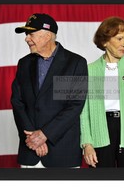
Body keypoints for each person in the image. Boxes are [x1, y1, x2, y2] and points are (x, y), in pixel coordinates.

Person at [11, 13, 88, 168]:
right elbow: (17, 102)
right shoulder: (24, 63)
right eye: (26, 35)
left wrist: (45, 135)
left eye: (31, 34)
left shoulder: (75, 63)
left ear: (47, 36)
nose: (26, 39)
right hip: (30, 151)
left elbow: (74, 106)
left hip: (62, 153)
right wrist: (33, 138)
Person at [80, 16, 124, 168]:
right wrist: (87, 143)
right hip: (100, 133)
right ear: (105, 41)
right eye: (120, 38)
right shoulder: (90, 70)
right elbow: (84, 112)